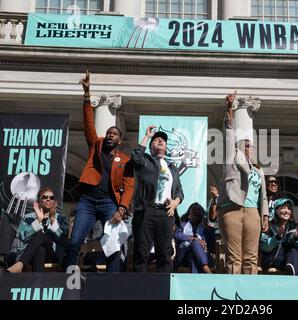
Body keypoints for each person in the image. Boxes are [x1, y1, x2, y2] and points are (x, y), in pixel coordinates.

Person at [65, 71, 134, 272]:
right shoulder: (96, 145)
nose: (110, 135)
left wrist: (121, 208)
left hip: (108, 203)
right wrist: (87, 96)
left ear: (120, 140)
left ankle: (114, 283)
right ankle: (68, 278)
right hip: (87, 201)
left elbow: (129, 187)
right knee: (75, 240)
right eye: (108, 133)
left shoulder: (125, 160)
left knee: (113, 245)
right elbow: (88, 124)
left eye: (114, 134)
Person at [217, 92, 269, 275]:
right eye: (246, 145)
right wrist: (229, 109)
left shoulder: (259, 170)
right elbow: (229, 133)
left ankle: (250, 293)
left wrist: (265, 215)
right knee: (234, 256)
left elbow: (263, 195)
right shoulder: (233, 158)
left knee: (251, 257)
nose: (250, 148)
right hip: (232, 208)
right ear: (239, 148)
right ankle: (233, 293)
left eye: (251, 146)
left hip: (253, 212)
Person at [131, 125, 184, 272]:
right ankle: (139, 292)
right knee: (142, 253)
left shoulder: (172, 168)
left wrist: (175, 203)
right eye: (155, 139)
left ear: (166, 147)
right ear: (150, 146)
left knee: (165, 255)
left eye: (163, 140)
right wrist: (147, 136)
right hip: (146, 210)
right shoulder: (145, 161)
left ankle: (162, 291)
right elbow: (136, 157)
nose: (160, 140)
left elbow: (179, 191)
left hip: (166, 213)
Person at [6, 187, 68, 272]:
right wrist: (38, 220)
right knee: (40, 250)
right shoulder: (28, 217)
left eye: (51, 198)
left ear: (54, 201)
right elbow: (21, 237)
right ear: (39, 202)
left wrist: (53, 220)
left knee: (41, 235)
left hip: (53, 254)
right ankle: (38, 282)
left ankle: (19, 264)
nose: (48, 199)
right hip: (29, 254)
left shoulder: (61, 218)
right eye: (45, 197)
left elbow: (64, 240)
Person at [260, 198, 298, 275]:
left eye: (289, 208)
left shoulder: (295, 226)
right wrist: (277, 237)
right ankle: (291, 272)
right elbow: (264, 247)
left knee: (294, 251)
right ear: (276, 211)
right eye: (284, 208)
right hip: (272, 260)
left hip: (289, 261)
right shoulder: (268, 225)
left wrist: (297, 238)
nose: (287, 211)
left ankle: (290, 270)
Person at [174, 203, 213, 273]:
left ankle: (200, 275)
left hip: (203, 256)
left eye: (199, 210)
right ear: (189, 215)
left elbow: (212, 247)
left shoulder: (206, 229)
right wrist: (193, 238)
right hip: (184, 257)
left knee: (194, 255)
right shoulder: (182, 225)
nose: (196, 211)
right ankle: (207, 271)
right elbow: (177, 235)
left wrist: (206, 226)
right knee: (194, 243)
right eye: (194, 210)